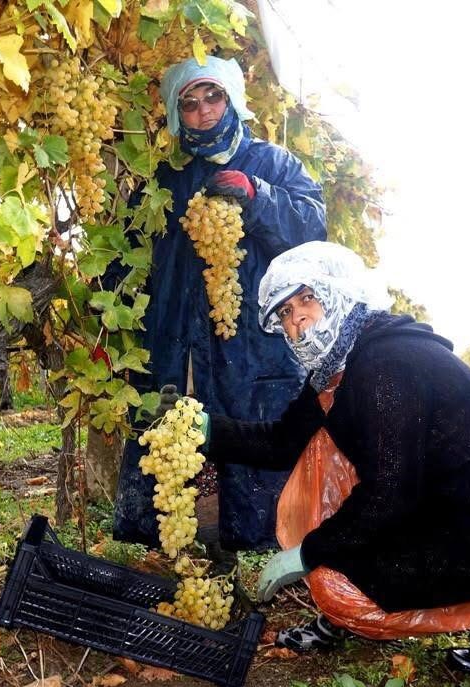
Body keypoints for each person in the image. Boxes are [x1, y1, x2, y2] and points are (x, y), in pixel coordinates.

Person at [188, 241, 470, 672]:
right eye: (285, 313)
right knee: (322, 449)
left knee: (338, 581)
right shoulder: (339, 368)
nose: (297, 319)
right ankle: (339, 613)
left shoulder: (387, 366)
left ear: (340, 294)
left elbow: (388, 496)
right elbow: (282, 441)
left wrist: (307, 552)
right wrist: (205, 428)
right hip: (443, 505)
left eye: (307, 298)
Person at [112, 55, 328, 559]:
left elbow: (313, 229)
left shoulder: (272, 164)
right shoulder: (163, 180)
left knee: (246, 440)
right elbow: (127, 258)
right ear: (175, 114)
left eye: (214, 97)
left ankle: (268, 553)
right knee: (177, 444)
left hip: (248, 343)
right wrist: (115, 320)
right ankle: (192, 554)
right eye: (190, 104)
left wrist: (258, 197)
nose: (204, 111)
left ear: (232, 99)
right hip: (176, 341)